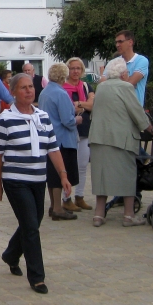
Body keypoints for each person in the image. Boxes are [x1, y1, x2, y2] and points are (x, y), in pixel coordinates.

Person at [0, 73, 72, 295]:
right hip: (15, 181)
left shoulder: (43, 117)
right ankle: (37, 277)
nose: (29, 91)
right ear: (13, 92)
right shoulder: (5, 119)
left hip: (38, 179)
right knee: (30, 227)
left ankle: (10, 254)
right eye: (23, 88)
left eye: (31, 87)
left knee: (33, 223)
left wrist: (63, 175)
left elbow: (53, 149)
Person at [88, 57, 153, 227]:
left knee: (101, 176)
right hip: (121, 138)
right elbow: (137, 113)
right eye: (126, 71)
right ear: (122, 73)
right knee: (127, 174)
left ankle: (98, 215)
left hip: (99, 137)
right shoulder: (126, 87)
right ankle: (128, 215)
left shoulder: (101, 87)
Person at [38, 63, 81, 220]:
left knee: (51, 174)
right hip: (62, 140)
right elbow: (67, 120)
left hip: (48, 138)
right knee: (60, 174)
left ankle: (53, 205)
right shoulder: (60, 93)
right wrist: (78, 119)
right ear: (64, 76)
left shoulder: (45, 92)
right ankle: (57, 207)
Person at [62, 57, 94, 212]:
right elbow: (66, 108)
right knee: (67, 166)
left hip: (84, 129)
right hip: (68, 130)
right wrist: (83, 105)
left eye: (78, 68)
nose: (75, 71)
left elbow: (92, 105)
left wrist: (79, 104)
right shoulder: (62, 87)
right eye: (72, 68)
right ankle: (66, 198)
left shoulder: (87, 86)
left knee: (82, 165)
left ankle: (79, 196)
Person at [101, 30, 150, 106]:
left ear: (130, 42)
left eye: (120, 41)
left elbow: (129, 84)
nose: (117, 45)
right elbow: (102, 84)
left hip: (134, 109)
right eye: (116, 42)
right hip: (116, 109)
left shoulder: (141, 60)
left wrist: (115, 83)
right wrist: (126, 81)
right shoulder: (113, 62)